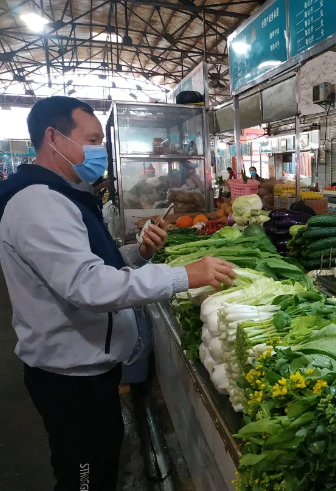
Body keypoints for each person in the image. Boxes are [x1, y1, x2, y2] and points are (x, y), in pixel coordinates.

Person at [0, 96, 236, 491]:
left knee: (102, 464)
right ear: (53, 137)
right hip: (71, 379)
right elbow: (88, 286)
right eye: (92, 140)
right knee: (84, 477)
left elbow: (91, 265)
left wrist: (139, 253)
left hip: (90, 370)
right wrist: (183, 275)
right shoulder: (37, 203)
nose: (100, 151)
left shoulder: (61, 193)